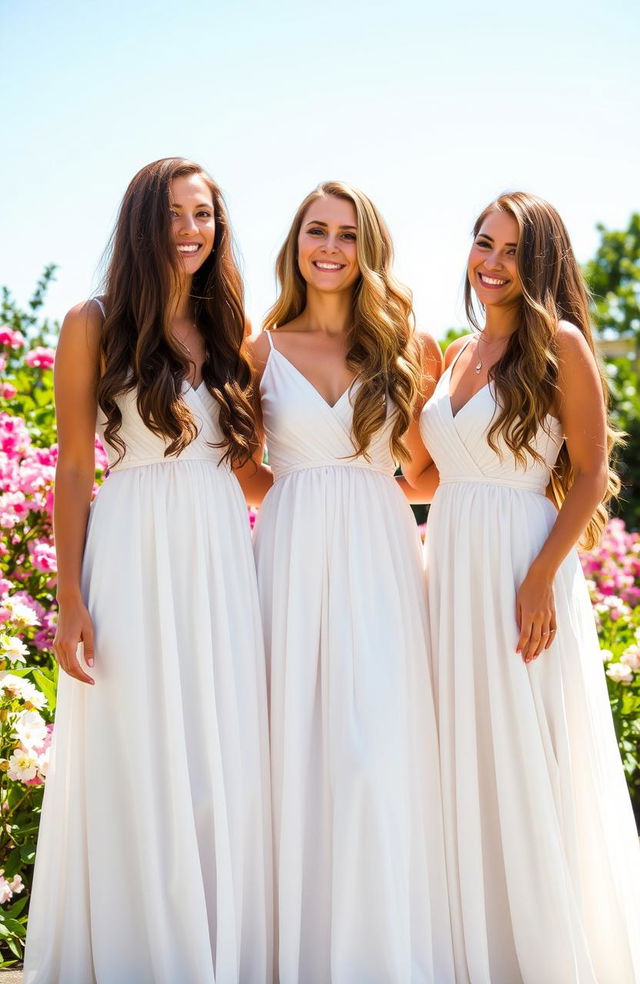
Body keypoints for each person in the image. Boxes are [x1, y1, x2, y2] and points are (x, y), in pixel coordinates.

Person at [24, 158, 272, 984]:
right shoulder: (92, 321)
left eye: (203, 215)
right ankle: (140, 950)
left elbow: (251, 468)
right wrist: (70, 600)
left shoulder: (230, 329)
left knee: (217, 744)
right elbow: (70, 469)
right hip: (130, 549)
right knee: (138, 743)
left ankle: (211, 946)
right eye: (173, 215)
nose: (190, 231)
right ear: (142, 223)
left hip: (217, 553)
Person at [403, 191, 640, 983]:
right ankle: (474, 947)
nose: (492, 263)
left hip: (519, 569)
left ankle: (545, 953)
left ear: (538, 262)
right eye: (482, 244)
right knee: (458, 751)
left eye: (510, 250)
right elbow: (426, 477)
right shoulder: (455, 353)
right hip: (452, 565)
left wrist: (540, 578)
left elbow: (594, 468)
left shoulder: (562, 343)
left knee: (527, 754)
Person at [249, 181, 455, 983]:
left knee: (377, 748)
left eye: (345, 234)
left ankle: (382, 948)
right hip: (292, 555)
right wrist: (306, 497)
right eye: (315, 231)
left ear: (368, 248)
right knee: (294, 742)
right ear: (295, 242)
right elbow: (236, 462)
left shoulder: (408, 343)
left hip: (379, 553)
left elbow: (425, 472)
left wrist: (356, 494)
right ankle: (298, 950)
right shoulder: (258, 347)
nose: (329, 247)